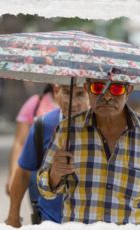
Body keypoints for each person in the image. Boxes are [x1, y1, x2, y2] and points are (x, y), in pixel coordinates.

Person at [37, 79, 140, 227]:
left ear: (129, 90)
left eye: (116, 88)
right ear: (87, 88)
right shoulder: (67, 130)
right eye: (98, 87)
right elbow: (44, 190)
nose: (106, 96)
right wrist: (54, 174)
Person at [6, 85, 89, 227]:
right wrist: (13, 217)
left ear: (90, 95)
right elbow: (23, 173)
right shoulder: (43, 125)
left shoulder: (103, 128)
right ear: (57, 92)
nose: (73, 102)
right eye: (67, 93)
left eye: (80, 94)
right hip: (50, 221)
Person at [6, 84, 58, 194]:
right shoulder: (36, 103)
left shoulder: (83, 105)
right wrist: (13, 176)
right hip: (38, 174)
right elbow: (19, 143)